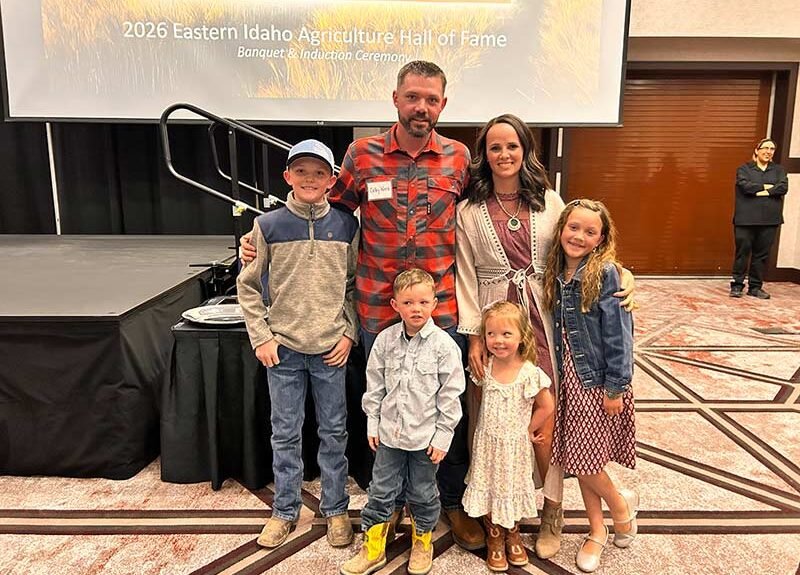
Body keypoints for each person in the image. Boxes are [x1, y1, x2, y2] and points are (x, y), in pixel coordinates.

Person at [241, 60, 484, 549]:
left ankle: (451, 502)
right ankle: (388, 502)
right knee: (384, 406)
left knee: (444, 405)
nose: (422, 107)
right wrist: (255, 242)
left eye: (431, 99)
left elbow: (488, 214)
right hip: (375, 309)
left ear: (443, 104)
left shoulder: (458, 157)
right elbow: (330, 215)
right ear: (395, 99)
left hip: (440, 312)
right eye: (413, 97)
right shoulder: (362, 154)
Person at [455, 113, 635, 558]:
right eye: (494, 147)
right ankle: (499, 509)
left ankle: (552, 508)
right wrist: (475, 335)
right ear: (484, 154)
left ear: (525, 150)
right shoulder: (467, 209)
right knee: (495, 417)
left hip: (544, 316)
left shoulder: (548, 201)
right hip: (495, 320)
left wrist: (624, 273)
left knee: (546, 418)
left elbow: (581, 247)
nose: (504, 155)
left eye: (512, 146)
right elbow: (463, 274)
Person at [237, 139, 359, 550]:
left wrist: (348, 332)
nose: (310, 179)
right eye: (301, 171)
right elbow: (249, 286)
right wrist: (261, 337)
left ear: (332, 180)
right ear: (287, 177)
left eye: (319, 173)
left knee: (334, 432)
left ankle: (337, 508)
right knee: (285, 433)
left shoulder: (347, 225)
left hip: (330, 349)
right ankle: (284, 510)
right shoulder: (267, 226)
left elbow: (354, 286)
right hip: (283, 350)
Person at [341, 269, 465, 575]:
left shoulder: (443, 346)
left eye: (423, 302)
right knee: (380, 491)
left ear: (435, 303)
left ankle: (422, 541)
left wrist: (443, 436)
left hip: (426, 440)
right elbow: (375, 386)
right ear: (395, 305)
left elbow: (451, 395)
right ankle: (373, 548)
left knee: (423, 493)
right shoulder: (385, 341)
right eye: (408, 302)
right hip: (389, 437)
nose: (416, 309)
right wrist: (373, 423)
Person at [541, 199, 637, 573]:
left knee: (585, 461)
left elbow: (619, 337)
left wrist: (615, 389)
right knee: (581, 458)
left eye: (590, 231)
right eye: (573, 228)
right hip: (565, 380)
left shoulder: (607, 274)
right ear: (561, 229)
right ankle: (597, 530)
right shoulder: (556, 273)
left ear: (601, 239)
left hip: (595, 381)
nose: (579, 236)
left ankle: (620, 508)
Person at [462, 301, 555, 572]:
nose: (498, 341)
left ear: (521, 336)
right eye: (491, 334)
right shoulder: (485, 368)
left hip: (514, 447)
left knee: (510, 488)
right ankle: (494, 536)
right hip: (488, 443)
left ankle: (512, 533)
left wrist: (526, 429)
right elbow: (480, 397)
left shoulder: (529, 373)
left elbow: (546, 406)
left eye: (506, 334)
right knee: (487, 486)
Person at [730, 137, 789, 299]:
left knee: (761, 255)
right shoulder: (744, 169)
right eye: (765, 148)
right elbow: (746, 187)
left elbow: (782, 187)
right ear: (757, 150)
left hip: (770, 220)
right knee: (742, 252)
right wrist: (768, 188)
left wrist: (761, 191)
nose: (768, 152)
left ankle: (755, 287)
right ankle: (737, 285)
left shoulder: (778, 170)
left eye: (771, 149)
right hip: (745, 219)